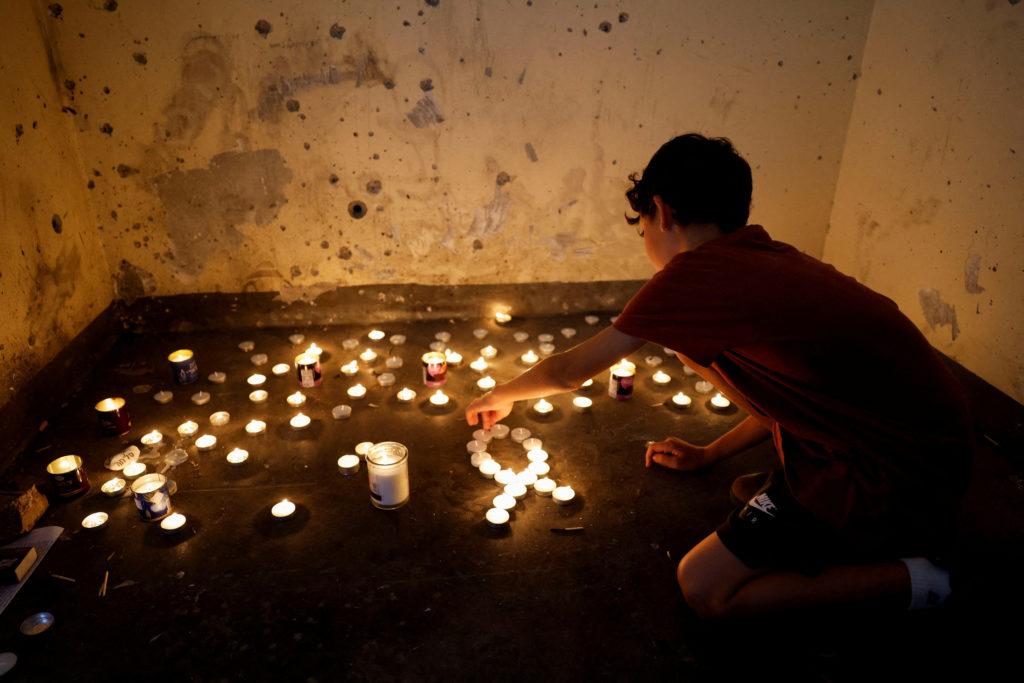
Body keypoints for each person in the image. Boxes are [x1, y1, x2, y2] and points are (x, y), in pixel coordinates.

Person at [464, 133, 972, 618]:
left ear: (661, 212)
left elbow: (570, 372)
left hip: (892, 475)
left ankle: (922, 579)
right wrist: (710, 454)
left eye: (642, 228)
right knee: (730, 454)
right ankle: (820, 506)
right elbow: (794, 400)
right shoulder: (764, 257)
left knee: (705, 586)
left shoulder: (692, 276)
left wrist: (502, 393)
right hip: (930, 449)